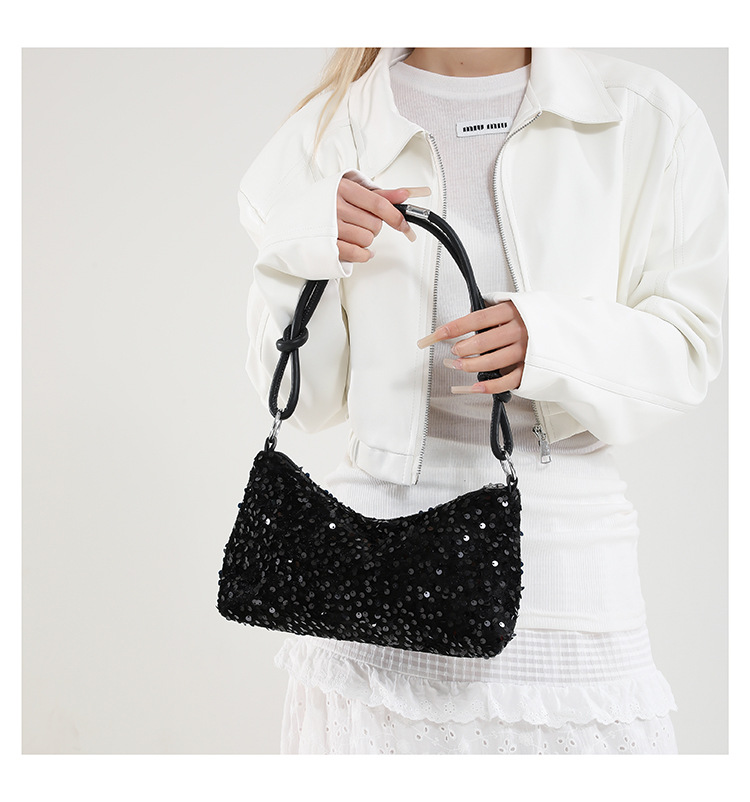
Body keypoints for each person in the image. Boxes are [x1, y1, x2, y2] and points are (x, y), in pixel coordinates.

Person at [237, 47, 727, 754]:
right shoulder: (327, 130)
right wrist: (300, 253)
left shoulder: (643, 115)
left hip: (565, 582)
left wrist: (547, 340)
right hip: (364, 597)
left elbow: (689, 348)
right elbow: (306, 400)